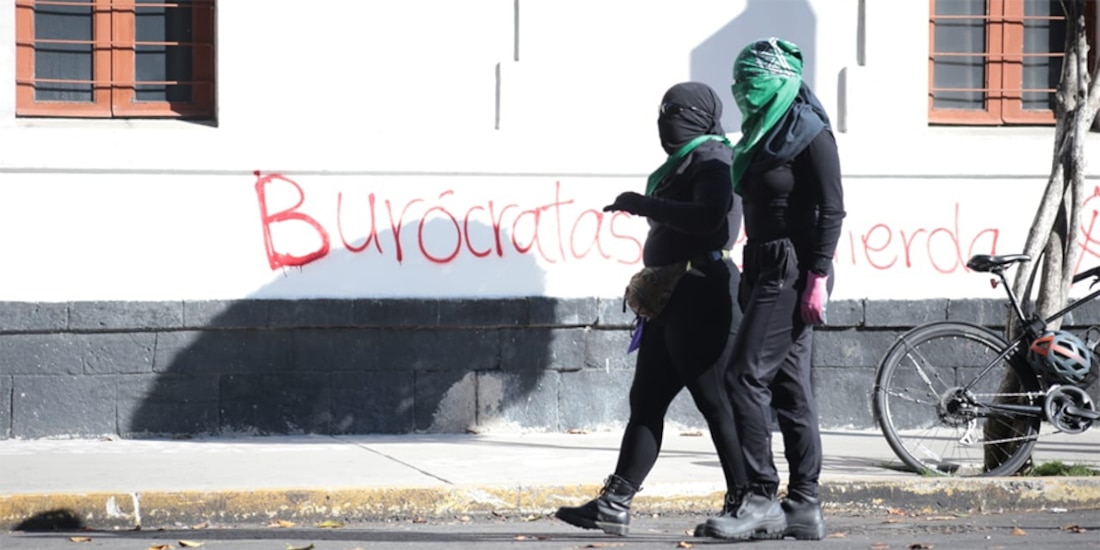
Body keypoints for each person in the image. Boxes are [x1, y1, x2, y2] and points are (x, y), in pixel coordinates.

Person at [553, 81, 747, 537]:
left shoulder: (714, 159)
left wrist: (643, 205)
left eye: (676, 112)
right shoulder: (685, 161)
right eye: (663, 112)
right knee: (646, 401)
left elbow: (709, 217)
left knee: (715, 403)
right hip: (670, 295)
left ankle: (744, 501)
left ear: (701, 116)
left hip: (701, 293)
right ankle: (614, 503)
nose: (667, 120)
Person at [700, 38, 845, 541]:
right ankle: (805, 505)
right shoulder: (763, 133)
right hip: (761, 260)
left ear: (779, 78)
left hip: (793, 267)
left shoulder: (810, 131)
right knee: (789, 387)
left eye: (752, 79)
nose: (742, 89)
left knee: (742, 376)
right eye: (738, 81)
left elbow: (832, 208)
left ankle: (761, 497)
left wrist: (819, 278)